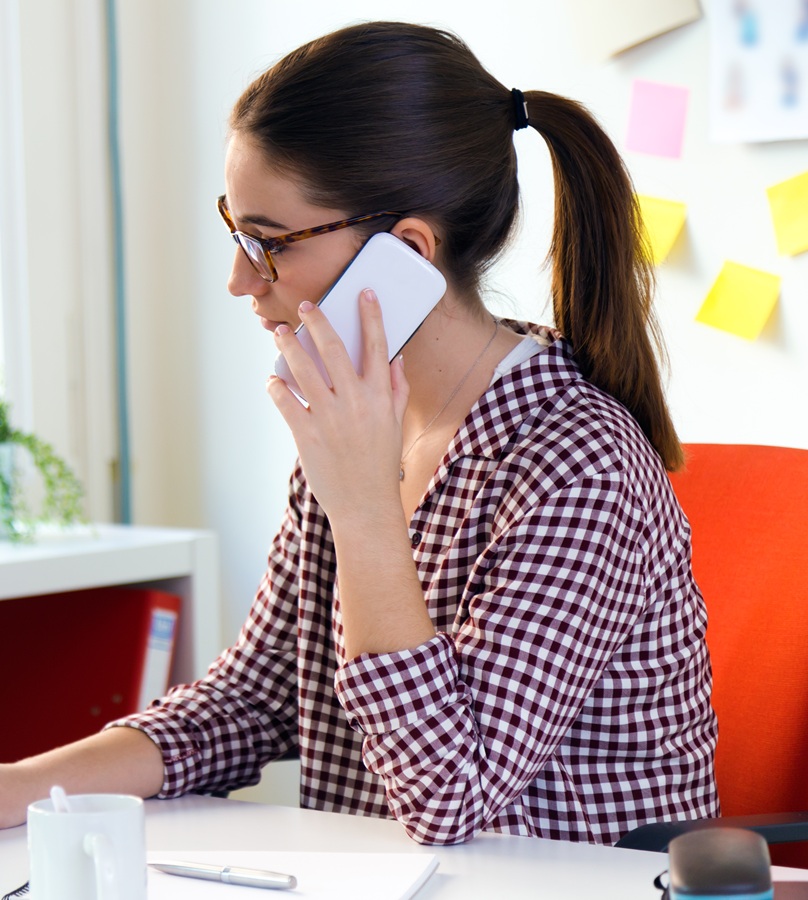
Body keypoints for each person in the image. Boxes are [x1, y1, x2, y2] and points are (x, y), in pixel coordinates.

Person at [0, 21, 719, 845]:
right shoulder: (356, 424)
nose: (240, 280)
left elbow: (448, 797)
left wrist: (366, 508)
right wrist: (22, 788)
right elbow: (250, 702)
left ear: (406, 253)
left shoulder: (579, 460)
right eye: (236, 233)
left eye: (267, 244)